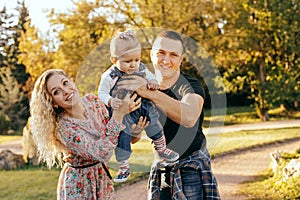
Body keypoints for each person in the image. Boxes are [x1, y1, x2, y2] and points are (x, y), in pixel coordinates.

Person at [117, 30, 221, 199]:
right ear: (151, 55)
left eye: (173, 55)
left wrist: (150, 93)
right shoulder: (140, 88)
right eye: (161, 53)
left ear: (181, 59)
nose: (166, 60)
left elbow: (189, 117)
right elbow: (132, 139)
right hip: (162, 167)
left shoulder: (190, 86)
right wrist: (135, 131)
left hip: (191, 167)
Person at [29, 69, 141, 199]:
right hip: (79, 185)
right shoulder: (64, 128)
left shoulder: (93, 102)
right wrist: (118, 114)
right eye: (56, 92)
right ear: (53, 103)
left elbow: (113, 138)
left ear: (71, 81)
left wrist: (135, 132)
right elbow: (102, 153)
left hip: (102, 179)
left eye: (65, 83)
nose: (65, 91)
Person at [98, 30, 179, 183]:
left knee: (153, 121)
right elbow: (101, 93)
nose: (133, 64)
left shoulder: (140, 68)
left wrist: (152, 82)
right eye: (128, 61)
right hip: (123, 110)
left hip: (141, 105)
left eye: (136, 59)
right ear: (114, 60)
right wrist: (109, 100)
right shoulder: (109, 75)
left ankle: (161, 148)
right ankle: (123, 166)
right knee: (123, 135)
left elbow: (151, 77)